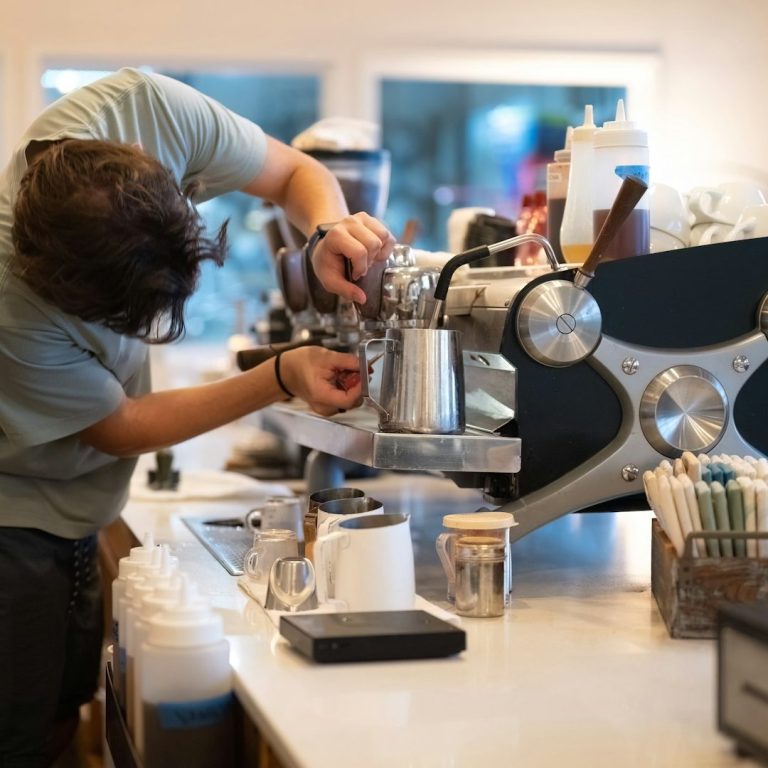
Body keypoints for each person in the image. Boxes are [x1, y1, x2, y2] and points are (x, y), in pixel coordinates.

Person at [0, 67, 394, 766]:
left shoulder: (148, 108)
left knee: (63, 706)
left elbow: (292, 172)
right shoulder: (11, 306)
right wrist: (278, 374)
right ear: (58, 287)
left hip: (80, 507)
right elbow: (119, 424)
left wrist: (327, 229)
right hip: (16, 516)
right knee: (19, 734)